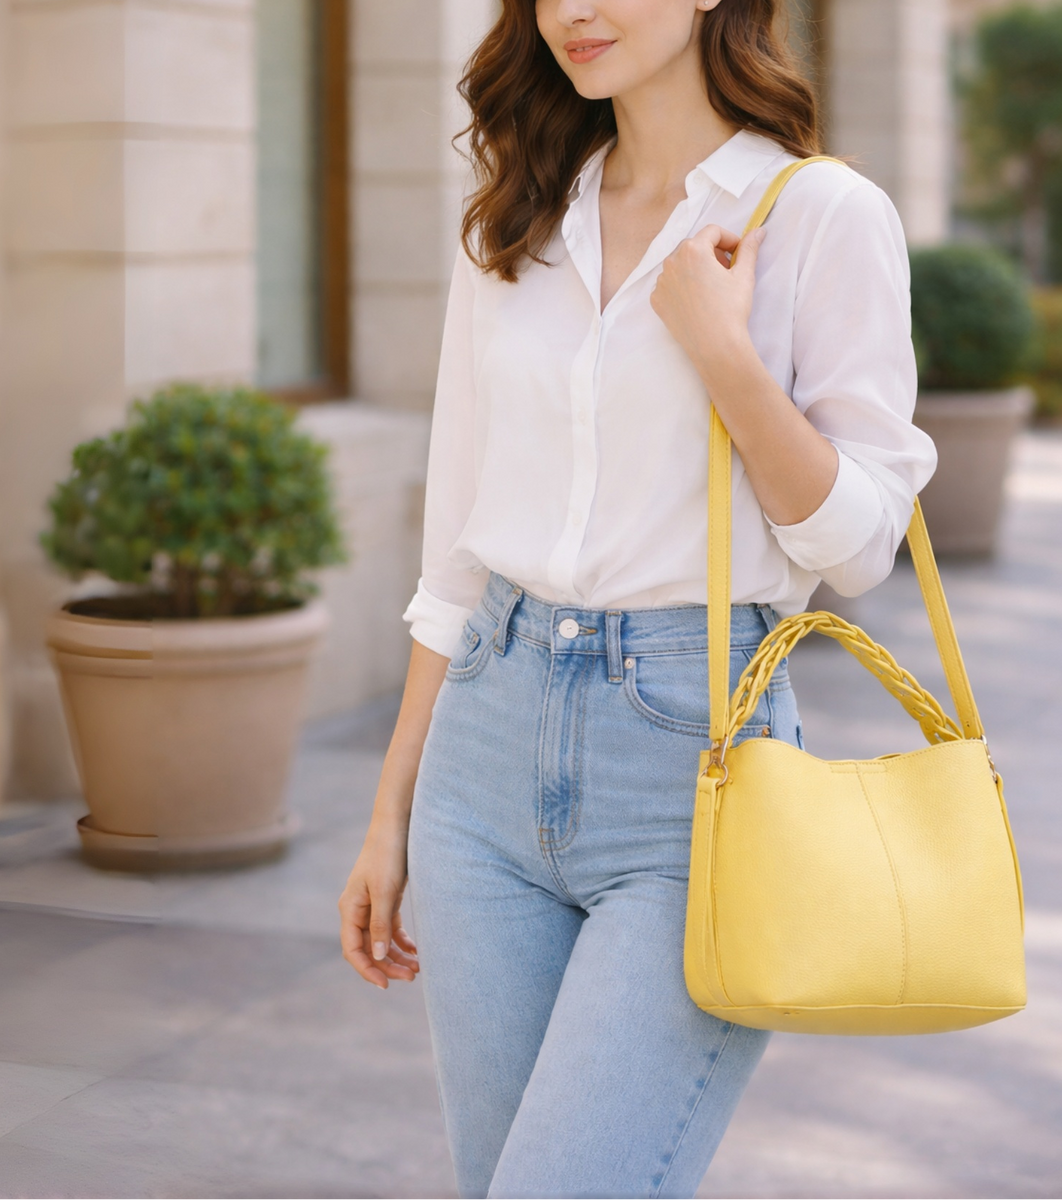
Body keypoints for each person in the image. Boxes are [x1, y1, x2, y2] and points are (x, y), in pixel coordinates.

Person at [339, 1, 936, 1195]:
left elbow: (864, 543)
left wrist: (724, 355)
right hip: (484, 759)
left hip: (692, 769)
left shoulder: (819, 215)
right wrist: (392, 806)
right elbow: (457, 552)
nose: (575, 10)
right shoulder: (520, 221)